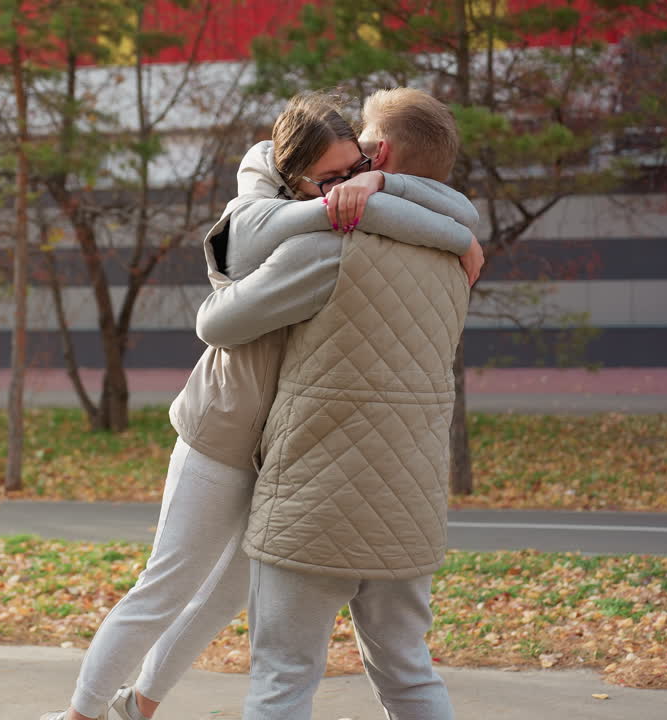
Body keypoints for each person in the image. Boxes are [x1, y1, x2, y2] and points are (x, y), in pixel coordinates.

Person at [40, 89, 482, 720]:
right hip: (226, 430)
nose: (345, 182)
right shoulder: (305, 218)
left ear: (375, 156)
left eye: (355, 166)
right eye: (329, 176)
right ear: (295, 171)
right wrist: (445, 234)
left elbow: (445, 212)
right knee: (168, 586)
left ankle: (137, 705)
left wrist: (397, 207)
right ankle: (83, 717)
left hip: (285, 453)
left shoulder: (364, 227)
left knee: (227, 602)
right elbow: (216, 316)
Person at [194, 87, 475, 720]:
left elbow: (218, 324)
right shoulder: (458, 256)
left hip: (313, 503)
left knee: (284, 681)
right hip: (412, 503)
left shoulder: (329, 246)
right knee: (408, 673)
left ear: (380, 151)